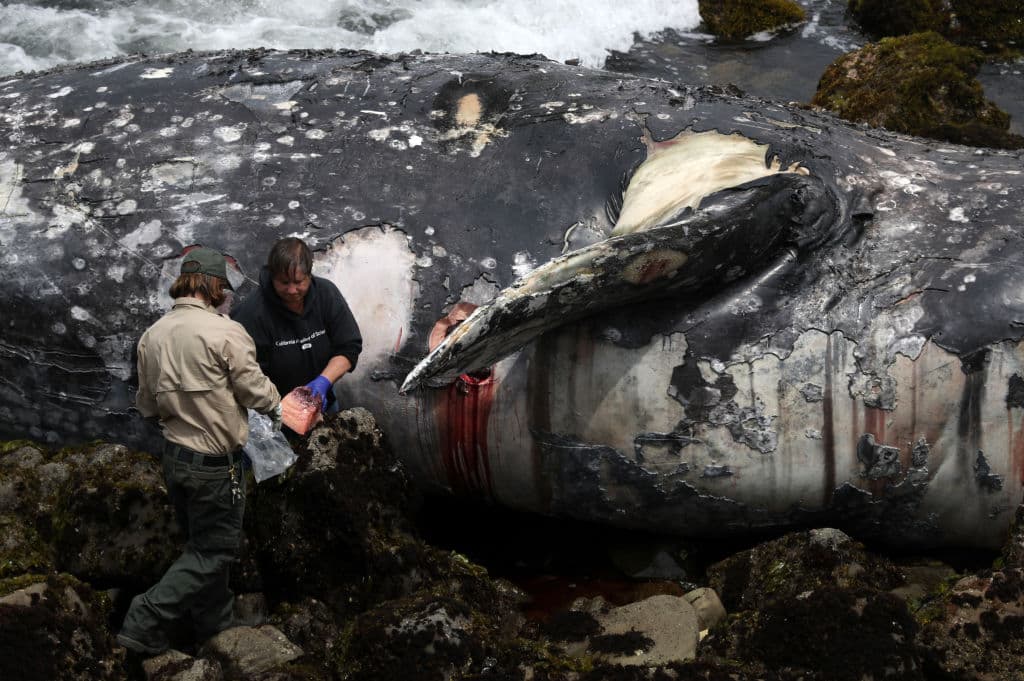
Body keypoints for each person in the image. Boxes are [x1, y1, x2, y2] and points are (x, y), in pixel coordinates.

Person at [117, 246, 282, 656]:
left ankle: (215, 622)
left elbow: (146, 406)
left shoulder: (152, 335)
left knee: (200, 546)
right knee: (214, 551)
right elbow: (255, 391)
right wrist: (280, 404)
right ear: (212, 286)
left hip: (175, 460)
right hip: (215, 465)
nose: (227, 296)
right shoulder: (226, 332)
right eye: (224, 288)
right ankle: (144, 617)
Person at [231, 237, 362, 415]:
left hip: (321, 401)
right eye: (284, 283)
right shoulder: (252, 313)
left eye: (299, 282)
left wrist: (324, 382)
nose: (292, 290)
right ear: (272, 276)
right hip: (275, 412)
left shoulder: (326, 295)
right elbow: (244, 372)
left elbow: (349, 346)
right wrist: (277, 408)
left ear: (309, 274)